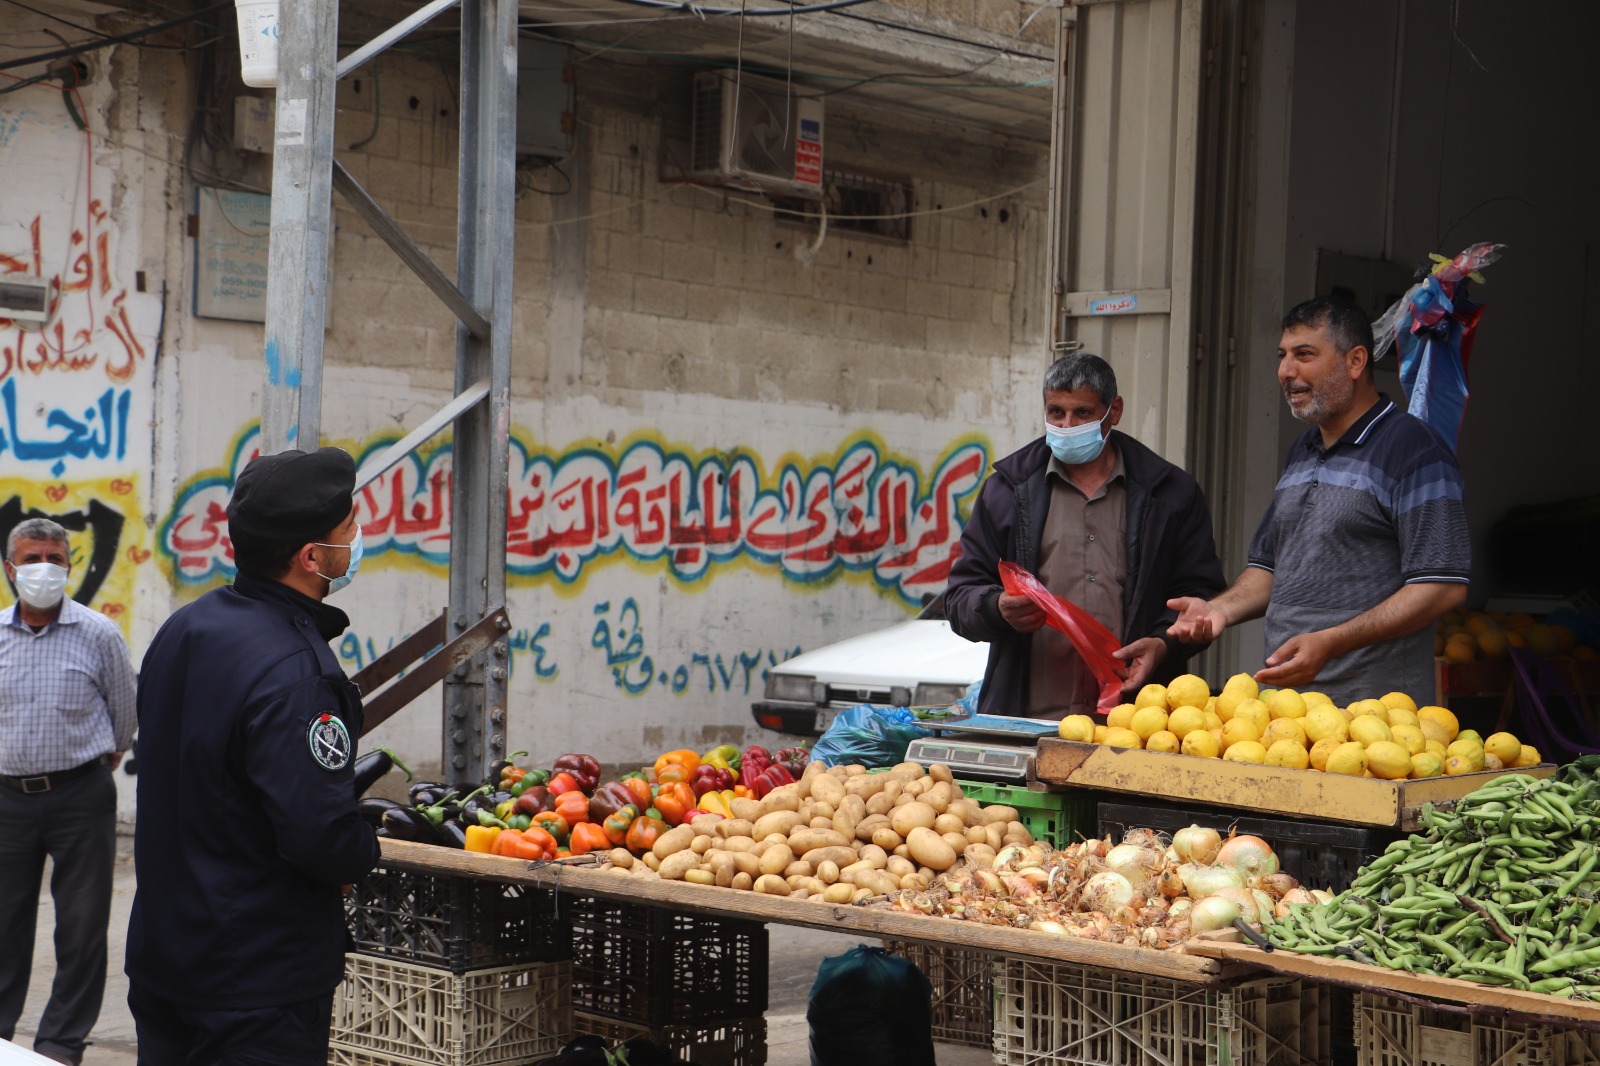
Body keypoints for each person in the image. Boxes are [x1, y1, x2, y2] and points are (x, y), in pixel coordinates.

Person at [126, 447, 379, 1066]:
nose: (358, 540)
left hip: (166, 956)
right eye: (349, 531)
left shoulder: (187, 627)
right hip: (254, 982)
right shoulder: (297, 671)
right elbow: (319, 834)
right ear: (312, 557)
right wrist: (359, 853)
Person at [1167, 296, 1470, 705]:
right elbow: (1269, 568)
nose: (1286, 371)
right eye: (1282, 356)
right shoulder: (1303, 449)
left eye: (1304, 355)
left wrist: (1331, 642)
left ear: (1355, 361)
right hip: (1285, 711)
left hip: (1377, 722)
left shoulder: (1415, 450)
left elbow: (1442, 586)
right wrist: (1218, 610)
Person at [945, 353, 1226, 718]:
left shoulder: (1170, 494)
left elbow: (1200, 596)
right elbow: (959, 596)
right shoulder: (1006, 492)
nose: (1066, 425)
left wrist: (1161, 644)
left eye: (1082, 413)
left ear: (1115, 411)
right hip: (1029, 719)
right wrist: (996, 608)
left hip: (1137, 721)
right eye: (1056, 412)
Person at [0, 518, 136, 1065]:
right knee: (4, 925)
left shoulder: (98, 632)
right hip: (6, 800)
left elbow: (124, 712)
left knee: (80, 928)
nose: (44, 570)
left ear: (70, 566)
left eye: (55, 559)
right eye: (32, 559)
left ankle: (60, 1044)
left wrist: (106, 754)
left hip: (80, 795)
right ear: (10, 570)